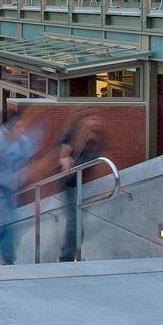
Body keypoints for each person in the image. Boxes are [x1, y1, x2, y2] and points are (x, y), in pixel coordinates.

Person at [0, 109, 41, 266]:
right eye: (18, 127)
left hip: (13, 186)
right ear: (9, 127)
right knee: (9, 220)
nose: (21, 130)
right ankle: (3, 259)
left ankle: (5, 258)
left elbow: (31, 162)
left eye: (22, 126)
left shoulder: (23, 142)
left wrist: (36, 193)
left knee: (12, 222)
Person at [55, 111, 104, 262]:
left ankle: (72, 255)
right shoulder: (72, 134)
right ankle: (66, 257)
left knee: (78, 224)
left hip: (82, 184)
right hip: (69, 184)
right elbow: (63, 156)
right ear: (83, 120)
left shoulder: (95, 139)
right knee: (74, 222)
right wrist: (66, 159)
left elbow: (97, 161)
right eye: (92, 119)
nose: (96, 123)